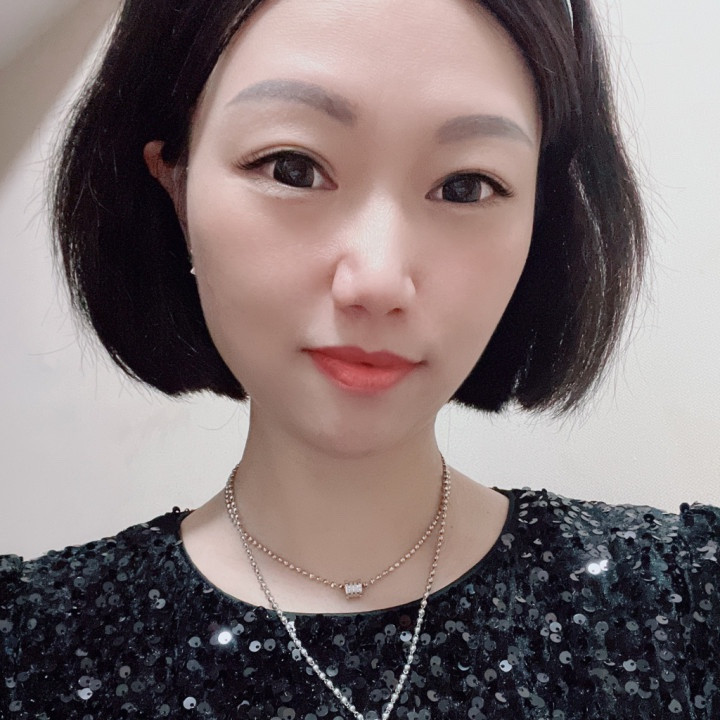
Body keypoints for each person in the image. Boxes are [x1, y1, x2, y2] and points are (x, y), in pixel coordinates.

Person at [1, 0, 717, 718]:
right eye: (292, 167)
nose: (377, 280)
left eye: (465, 186)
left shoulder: (684, 606)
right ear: (177, 185)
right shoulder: (31, 649)